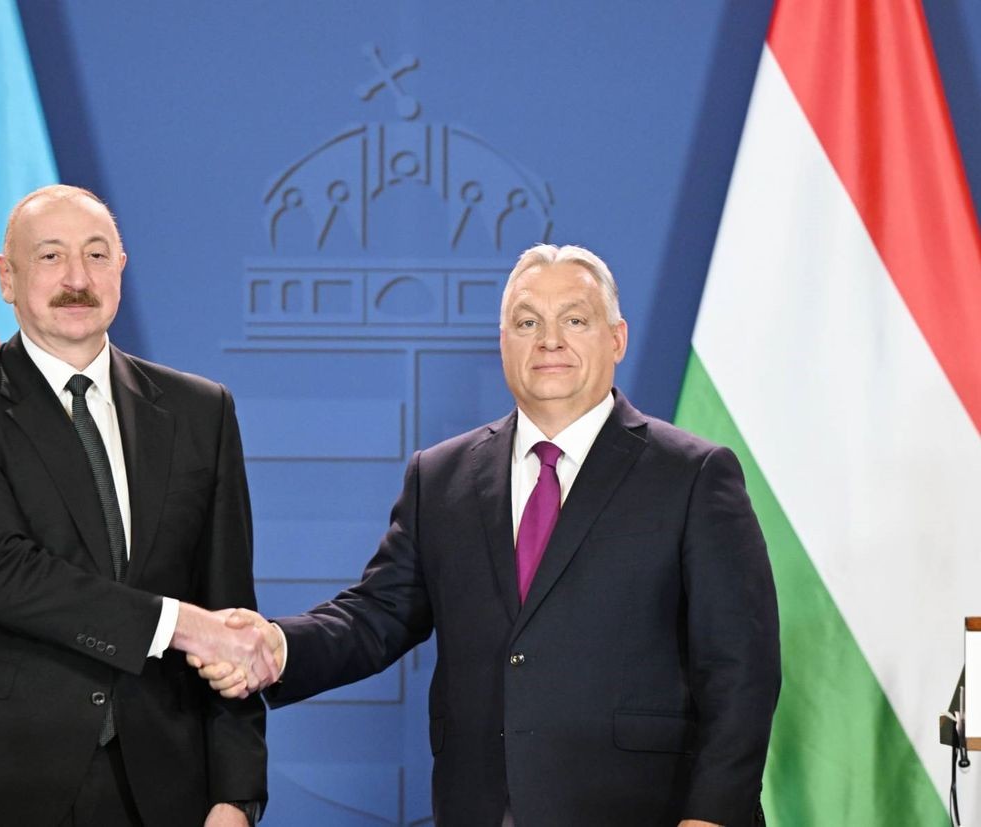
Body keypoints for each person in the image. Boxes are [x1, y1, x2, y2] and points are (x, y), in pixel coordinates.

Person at [195, 244, 781, 826]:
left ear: (617, 339)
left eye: (574, 320)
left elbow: (740, 668)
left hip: (643, 808)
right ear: (503, 341)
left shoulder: (693, 474)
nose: (550, 339)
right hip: (481, 806)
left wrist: (713, 817)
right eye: (527, 322)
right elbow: (377, 615)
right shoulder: (442, 475)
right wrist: (277, 646)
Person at [0, 185, 274, 827]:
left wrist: (235, 796)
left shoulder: (201, 411)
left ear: (120, 269)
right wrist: (181, 624)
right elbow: (2, 576)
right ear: (6, 277)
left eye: (97, 255)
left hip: (163, 786)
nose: (76, 279)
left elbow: (230, 605)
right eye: (49, 257)